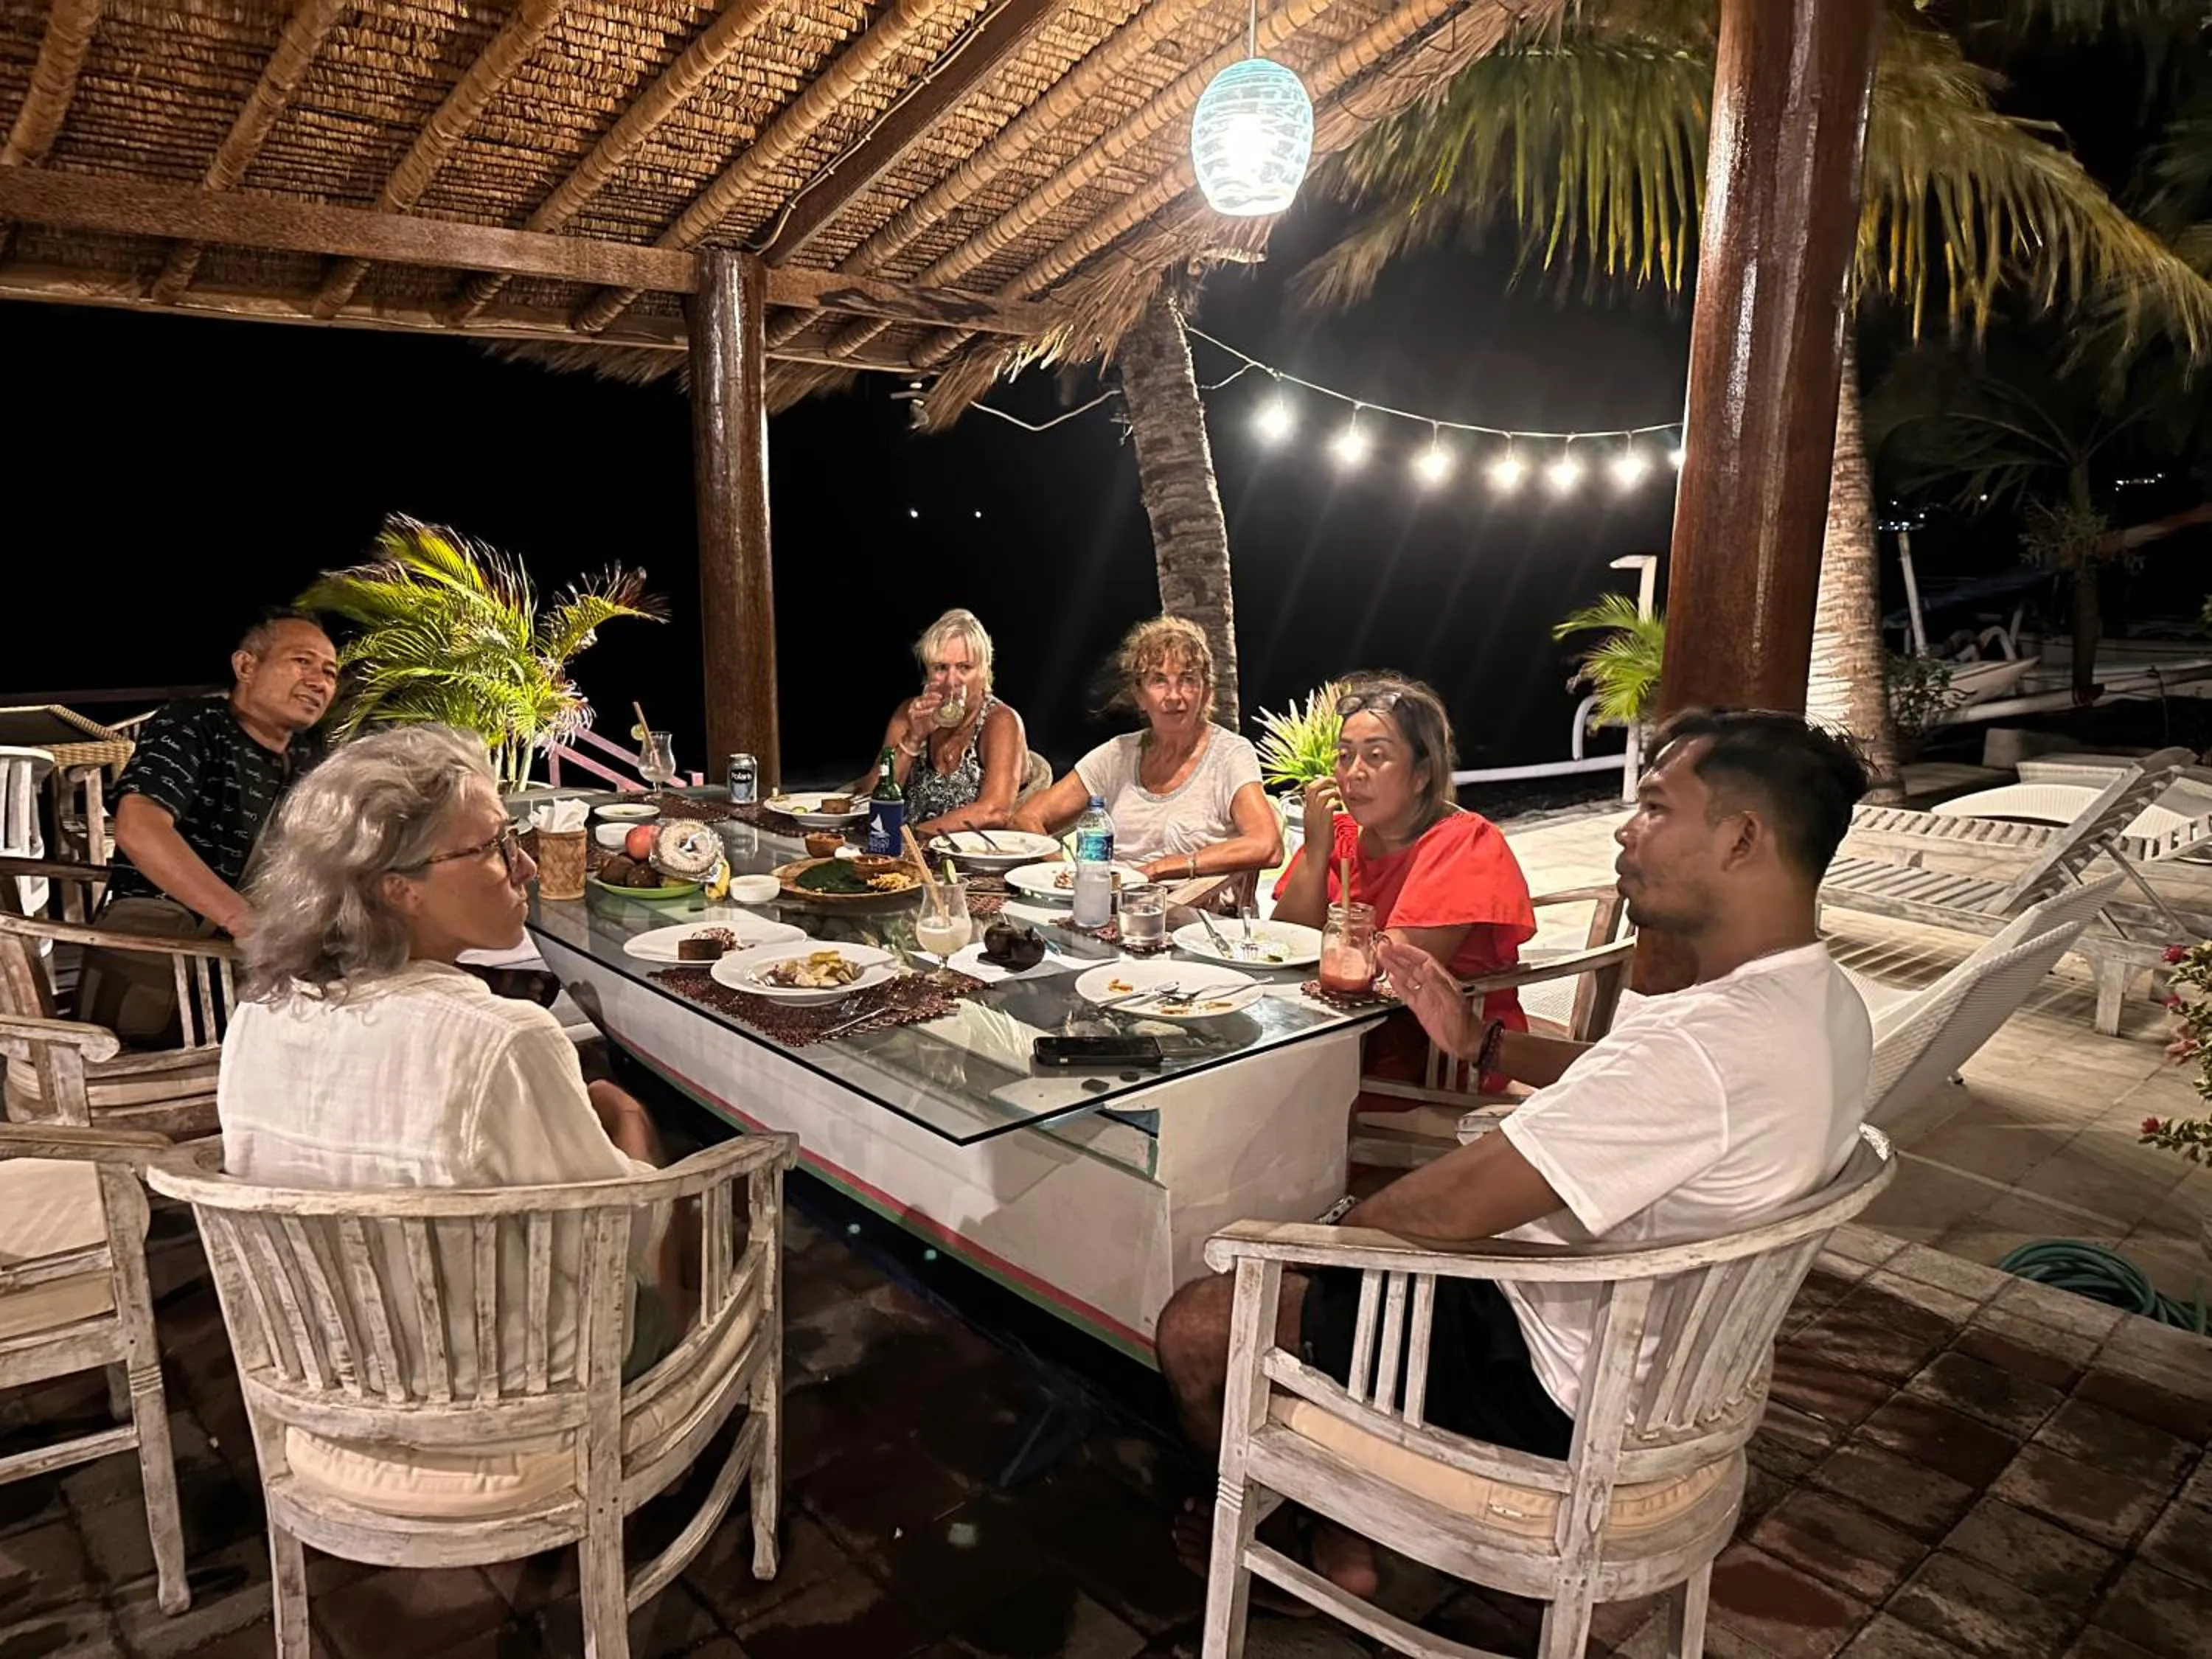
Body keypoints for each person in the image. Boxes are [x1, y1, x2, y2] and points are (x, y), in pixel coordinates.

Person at [1155, 709, 1874, 1599]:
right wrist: (1483, 1044)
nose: (1625, 826)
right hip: (1641, 1356)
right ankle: (1344, 1531)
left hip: (1556, 1386)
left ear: (1742, 839)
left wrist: (1320, 1247)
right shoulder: (1819, 1000)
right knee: (1346, 1256)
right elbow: (1624, 1079)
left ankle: (1285, 1547)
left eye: (1654, 806)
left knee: (1203, 1319)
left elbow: (1441, 1213)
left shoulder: (1705, 1042)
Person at [218, 725, 681, 1388]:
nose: (523, 866)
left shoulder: (259, 1016)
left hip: (336, 1360)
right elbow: (615, 1238)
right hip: (503, 1383)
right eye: (495, 847)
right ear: (399, 888)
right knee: (671, 1193)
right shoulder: (502, 1038)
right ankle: (670, 1412)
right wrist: (631, 1119)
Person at [1270, 675, 1536, 1100]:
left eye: (1376, 756)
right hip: (1346, 1037)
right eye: (1344, 756)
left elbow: (1392, 969)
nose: (1353, 773)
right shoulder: (1337, 835)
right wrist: (1317, 853)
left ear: (1422, 773)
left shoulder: (1464, 842)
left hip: (1433, 1058)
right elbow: (1282, 946)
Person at [81, 610, 339, 1043]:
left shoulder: (314, 760)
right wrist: (244, 921)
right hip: (165, 949)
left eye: (330, 673)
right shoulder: (194, 724)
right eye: (303, 661)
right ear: (246, 666)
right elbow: (140, 825)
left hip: (258, 963)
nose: (319, 681)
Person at [1012, 616, 1281, 886]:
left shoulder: (1229, 755)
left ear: (1206, 693)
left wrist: (1159, 869)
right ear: (1140, 696)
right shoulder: (1118, 754)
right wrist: (1068, 875)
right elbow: (1026, 818)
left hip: (1195, 914)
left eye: (1188, 680)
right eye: (1159, 681)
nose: (1174, 696)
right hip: (1113, 908)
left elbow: (1267, 845)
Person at [851, 608, 1030, 837]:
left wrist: (913, 837)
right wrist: (913, 739)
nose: (951, 680)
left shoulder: (1000, 721)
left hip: (964, 859)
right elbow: (868, 797)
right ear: (928, 673)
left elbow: (994, 810)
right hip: (897, 852)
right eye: (941, 668)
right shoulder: (911, 713)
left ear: (984, 671)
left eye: (964, 667)